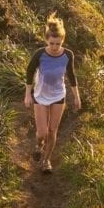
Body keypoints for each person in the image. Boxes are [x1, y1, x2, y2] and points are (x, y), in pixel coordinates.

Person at [24, 13, 81, 173]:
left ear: (62, 41)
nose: (55, 47)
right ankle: (38, 145)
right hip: (40, 96)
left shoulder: (68, 55)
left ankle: (46, 161)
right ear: (46, 40)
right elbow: (29, 72)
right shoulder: (40, 54)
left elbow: (71, 75)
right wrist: (28, 94)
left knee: (52, 131)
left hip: (58, 96)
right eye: (52, 43)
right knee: (42, 133)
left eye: (58, 43)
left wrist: (76, 96)